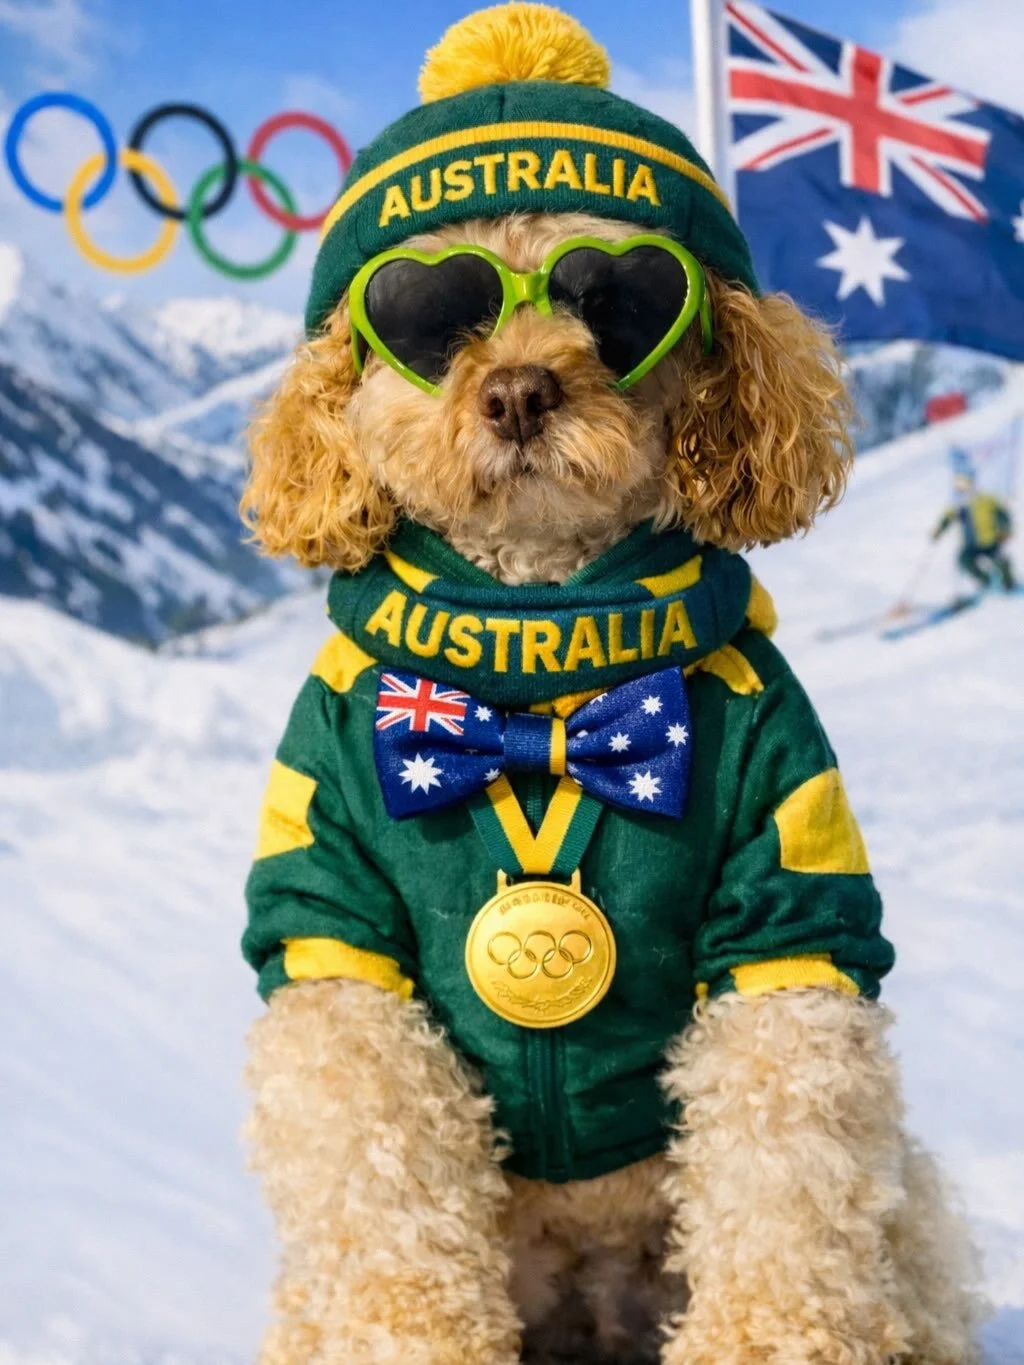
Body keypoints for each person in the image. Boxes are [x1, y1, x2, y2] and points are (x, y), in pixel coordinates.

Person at [933, 471, 1016, 590]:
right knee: (964, 560)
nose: (962, 489)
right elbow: (947, 518)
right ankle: (985, 580)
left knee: (1000, 561)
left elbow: (1002, 514)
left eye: (964, 486)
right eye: (959, 487)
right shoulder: (958, 505)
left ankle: (1008, 583)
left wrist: (1005, 529)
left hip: (990, 540)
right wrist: (939, 531)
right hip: (971, 544)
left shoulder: (986, 500)